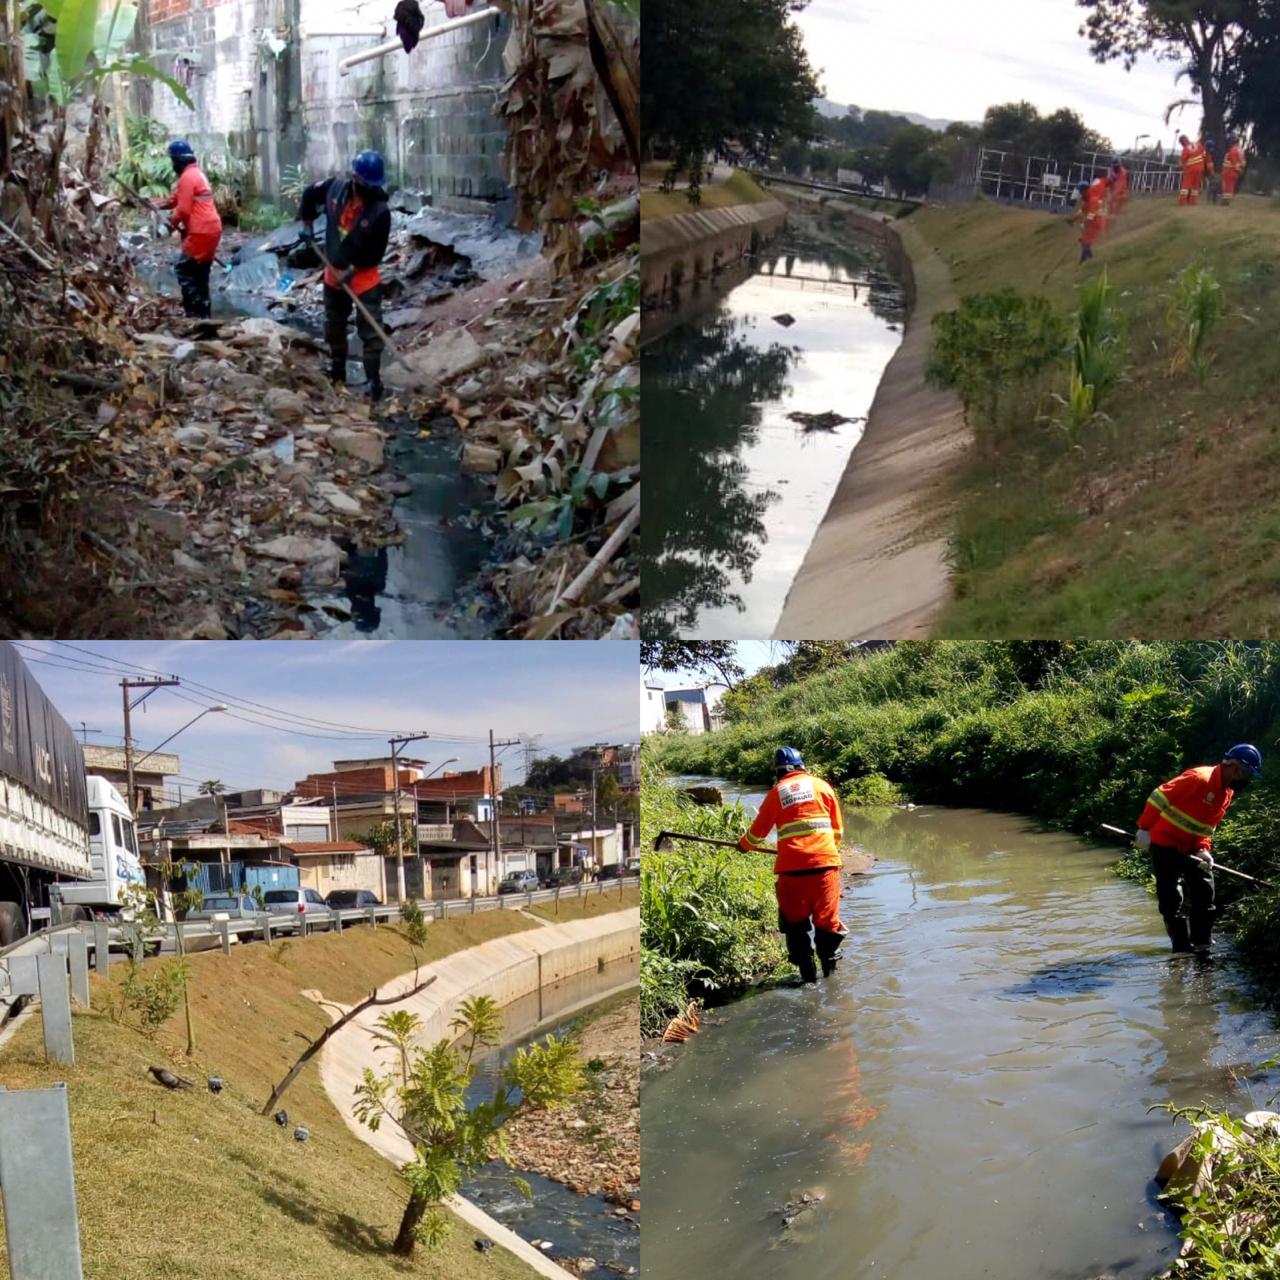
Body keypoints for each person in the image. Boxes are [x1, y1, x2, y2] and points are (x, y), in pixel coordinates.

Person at [1135, 743, 1263, 954]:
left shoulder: (1226, 793)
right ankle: (1182, 951)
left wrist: (1204, 849)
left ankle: (1202, 944)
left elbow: (1206, 826)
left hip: (1192, 849)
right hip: (1164, 844)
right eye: (1246, 773)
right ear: (1232, 766)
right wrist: (1144, 828)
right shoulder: (1199, 778)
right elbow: (1159, 797)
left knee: (1205, 892)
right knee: (1170, 900)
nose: (1245, 780)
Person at [738, 747, 847, 983]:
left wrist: (743, 845)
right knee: (828, 927)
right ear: (802, 767)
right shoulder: (823, 787)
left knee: (796, 928)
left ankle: (808, 980)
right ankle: (831, 982)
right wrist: (822, 849)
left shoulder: (776, 793)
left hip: (792, 874)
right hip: (825, 870)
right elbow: (837, 831)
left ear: (778, 772)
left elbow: (757, 835)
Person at [298, 150, 392, 401]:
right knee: (334, 324)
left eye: (374, 185)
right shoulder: (334, 189)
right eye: (366, 184)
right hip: (333, 272)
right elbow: (309, 194)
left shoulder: (381, 212)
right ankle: (337, 370)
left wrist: (351, 271)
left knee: (371, 333)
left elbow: (375, 253)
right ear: (355, 178)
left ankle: (373, 382)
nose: (370, 189)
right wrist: (307, 225)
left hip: (363, 277)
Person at [149, 139, 222, 318]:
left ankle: (194, 316)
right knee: (201, 274)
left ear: (178, 161)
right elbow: (176, 199)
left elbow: (182, 210)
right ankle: (205, 315)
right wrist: (153, 203)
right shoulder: (196, 174)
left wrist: (169, 224)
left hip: (200, 231)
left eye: (173, 161)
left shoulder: (188, 177)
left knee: (185, 270)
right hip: (212, 230)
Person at [1072, 174, 1110, 262]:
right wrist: (1075, 219)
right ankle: (1088, 258)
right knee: (1085, 241)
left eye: (1081, 191)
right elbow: (1083, 210)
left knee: (1085, 240)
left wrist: (1085, 223)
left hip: (1096, 223)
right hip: (1094, 223)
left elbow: (1092, 214)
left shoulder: (1092, 199)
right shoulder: (1088, 199)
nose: (1080, 193)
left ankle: (1085, 259)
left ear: (1084, 190)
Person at [1177, 134, 1211, 205]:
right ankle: (1193, 202)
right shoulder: (1198, 145)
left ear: (1182, 142)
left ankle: (1182, 202)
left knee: (1186, 186)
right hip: (1200, 168)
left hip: (1190, 169)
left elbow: (1182, 162)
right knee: (1195, 186)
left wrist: (1180, 165)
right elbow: (1205, 155)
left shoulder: (1185, 149)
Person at [1222, 137, 1246, 204]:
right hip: (1236, 172)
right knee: (1231, 186)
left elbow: (1233, 162)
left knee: (1227, 187)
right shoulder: (1241, 151)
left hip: (1229, 171)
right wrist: (1240, 170)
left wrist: (1237, 168)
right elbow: (1243, 163)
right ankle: (1228, 200)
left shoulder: (1232, 150)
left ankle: (1226, 202)